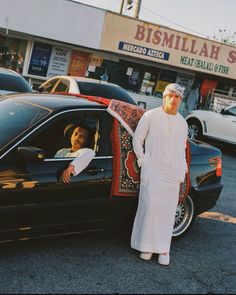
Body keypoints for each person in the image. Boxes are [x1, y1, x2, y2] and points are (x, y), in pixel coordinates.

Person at [131, 83, 188, 266]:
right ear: (164, 97)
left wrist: (183, 170)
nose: (173, 100)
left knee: (167, 212)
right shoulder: (151, 116)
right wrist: (143, 161)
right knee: (151, 209)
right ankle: (146, 246)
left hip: (173, 174)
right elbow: (137, 139)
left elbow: (182, 148)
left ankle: (164, 249)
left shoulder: (182, 122)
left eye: (177, 97)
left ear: (181, 100)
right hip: (153, 170)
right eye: (170, 96)